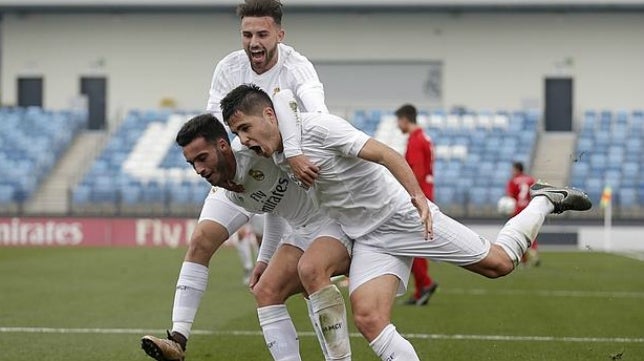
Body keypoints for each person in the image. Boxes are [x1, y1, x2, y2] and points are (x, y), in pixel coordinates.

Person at [221, 84, 593, 361]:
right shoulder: (273, 150)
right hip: (364, 237)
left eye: (246, 127)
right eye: (237, 133)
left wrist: (417, 198)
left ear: (270, 116)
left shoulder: (319, 129)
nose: (244, 138)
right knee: (368, 318)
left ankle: (544, 200)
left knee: (498, 264)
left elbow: (385, 153)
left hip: (402, 216)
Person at [141, 114, 353, 361]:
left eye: (201, 159)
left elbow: (292, 100)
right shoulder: (233, 191)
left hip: (336, 219)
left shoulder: (263, 146)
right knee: (264, 288)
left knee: (366, 315)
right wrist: (264, 259)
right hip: (290, 219)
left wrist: (292, 150)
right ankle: (178, 338)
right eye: (192, 163)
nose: (198, 170)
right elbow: (275, 207)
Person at [206, 0, 328, 187]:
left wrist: (292, 152)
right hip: (252, 159)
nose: (254, 42)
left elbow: (319, 115)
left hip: (294, 161)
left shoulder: (297, 67)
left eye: (262, 35)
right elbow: (215, 124)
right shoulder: (228, 68)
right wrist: (224, 168)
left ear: (280, 36)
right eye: (247, 35)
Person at [395, 104, 439, 306]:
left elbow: (417, 172)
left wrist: (412, 197)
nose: (397, 125)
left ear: (405, 119)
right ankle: (420, 289)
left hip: (418, 197)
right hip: (426, 194)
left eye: (398, 121)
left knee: (410, 243)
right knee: (415, 241)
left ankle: (426, 283)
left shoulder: (415, 140)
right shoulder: (424, 138)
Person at [506, 161, 540, 267]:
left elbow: (510, 197)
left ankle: (524, 259)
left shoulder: (513, 181)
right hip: (529, 210)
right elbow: (535, 195)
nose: (511, 172)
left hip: (517, 211)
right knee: (530, 233)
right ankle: (533, 254)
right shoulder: (530, 180)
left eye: (513, 169)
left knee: (518, 235)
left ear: (517, 169)